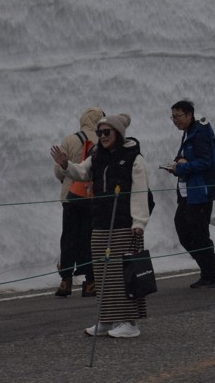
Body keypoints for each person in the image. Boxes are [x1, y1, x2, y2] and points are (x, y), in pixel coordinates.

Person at [50, 113, 149, 339]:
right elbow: (82, 173)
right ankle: (106, 320)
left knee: (122, 273)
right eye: (100, 132)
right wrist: (66, 165)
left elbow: (140, 191)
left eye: (107, 132)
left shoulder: (134, 159)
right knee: (103, 273)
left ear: (118, 134)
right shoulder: (97, 156)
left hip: (125, 223)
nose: (102, 137)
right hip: (101, 222)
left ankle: (128, 322)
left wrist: (139, 222)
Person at [166, 100, 215, 288]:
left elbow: (205, 162)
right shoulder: (189, 132)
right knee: (184, 230)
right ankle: (213, 265)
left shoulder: (199, 133)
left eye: (178, 116)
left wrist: (183, 166)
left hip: (201, 192)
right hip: (189, 192)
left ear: (189, 114)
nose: (175, 120)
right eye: (172, 117)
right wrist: (179, 163)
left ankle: (210, 274)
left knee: (198, 234)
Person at [53, 106, 104, 298]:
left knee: (69, 238)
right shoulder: (104, 139)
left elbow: (59, 170)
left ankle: (65, 282)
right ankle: (90, 283)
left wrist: (66, 180)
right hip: (94, 198)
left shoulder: (69, 139)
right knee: (91, 239)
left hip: (71, 197)